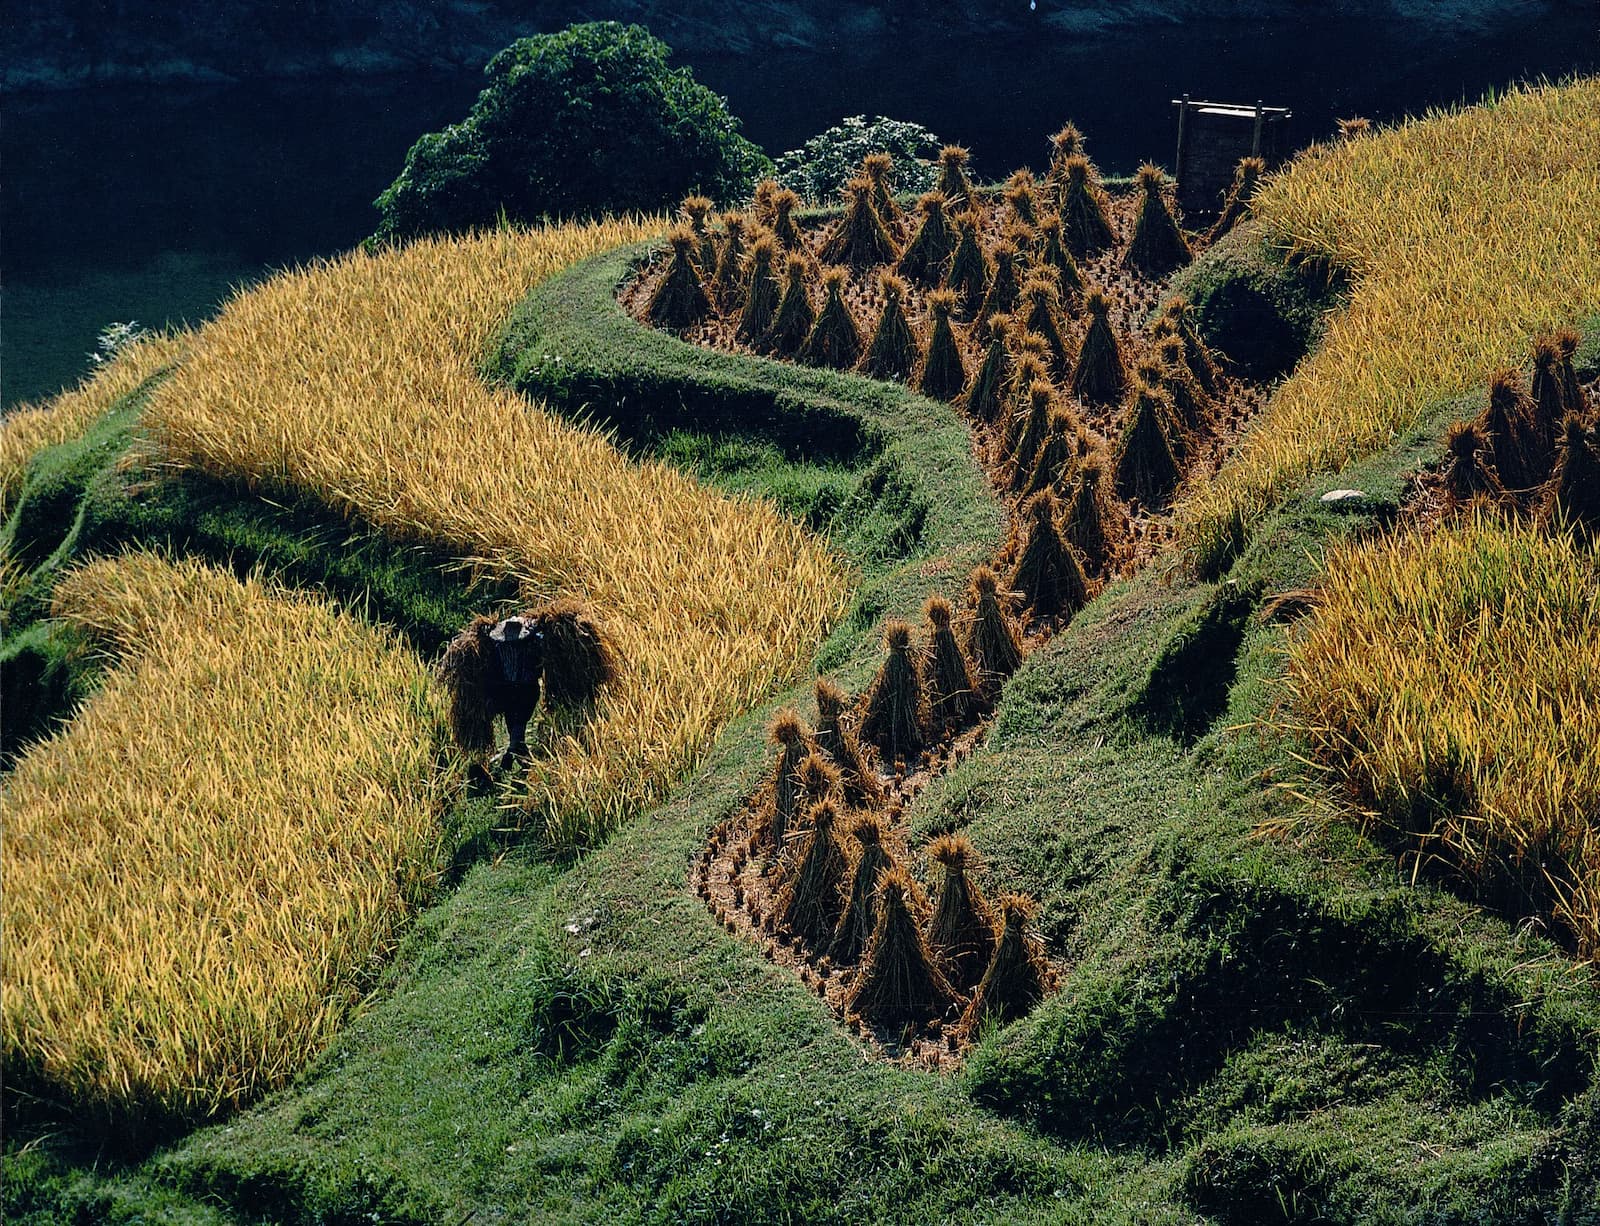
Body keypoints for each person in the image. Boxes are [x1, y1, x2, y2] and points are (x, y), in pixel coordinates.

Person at [486, 615, 544, 771]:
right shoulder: (533, 644)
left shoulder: (500, 647)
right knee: (516, 731)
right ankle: (526, 766)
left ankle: (509, 758)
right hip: (520, 691)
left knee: (517, 727)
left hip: (518, 692)